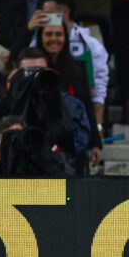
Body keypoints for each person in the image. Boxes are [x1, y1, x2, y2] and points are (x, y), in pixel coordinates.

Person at [0, 47, 92, 172]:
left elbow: (79, 141)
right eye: (29, 72)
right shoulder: (1, 104)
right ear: (17, 74)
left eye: (41, 71)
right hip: (13, 172)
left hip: (59, 172)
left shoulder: (70, 104)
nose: (34, 77)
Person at [29, 0, 109, 135]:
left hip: (72, 133)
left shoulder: (88, 48)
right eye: (48, 34)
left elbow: (89, 100)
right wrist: (28, 29)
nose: (46, 19)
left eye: (49, 15)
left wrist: (96, 132)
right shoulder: (31, 58)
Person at [36, 23, 102, 168]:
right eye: (48, 34)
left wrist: (95, 143)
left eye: (59, 34)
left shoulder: (77, 67)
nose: (54, 39)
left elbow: (86, 105)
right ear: (40, 37)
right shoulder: (32, 68)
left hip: (73, 144)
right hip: (41, 142)